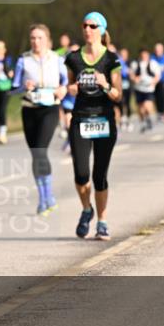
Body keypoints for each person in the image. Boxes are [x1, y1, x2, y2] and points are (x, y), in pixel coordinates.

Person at [64, 12, 123, 240]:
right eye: (85, 25)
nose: (88, 29)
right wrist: (71, 89)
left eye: (93, 25)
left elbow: (118, 96)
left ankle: (102, 222)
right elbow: (69, 84)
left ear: (101, 30)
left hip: (104, 121)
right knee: (81, 174)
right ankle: (87, 209)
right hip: (80, 119)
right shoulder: (73, 58)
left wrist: (105, 85)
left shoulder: (111, 60)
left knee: (99, 175)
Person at [11, 24, 68, 216]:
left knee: (41, 150)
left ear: (47, 40)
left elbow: (67, 82)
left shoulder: (57, 59)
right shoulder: (23, 61)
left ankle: (48, 196)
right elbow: (13, 88)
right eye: (33, 38)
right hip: (29, 109)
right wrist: (23, 86)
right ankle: (43, 197)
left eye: (39, 38)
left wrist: (63, 89)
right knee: (36, 154)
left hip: (50, 109)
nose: (36, 42)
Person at [131, 48, 161, 133]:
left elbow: (158, 75)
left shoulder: (153, 64)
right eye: (142, 55)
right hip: (139, 88)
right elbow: (131, 74)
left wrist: (154, 82)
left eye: (145, 55)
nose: (144, 56)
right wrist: (134, 79)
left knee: (147, 105)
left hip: (149, 88)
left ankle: (149, 119)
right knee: (140, 107)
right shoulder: (135, 64)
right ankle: (143, 122)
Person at [151, 42, 164, 125]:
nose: (157, 51)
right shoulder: (152, 58)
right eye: (156, 50)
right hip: (155, 81)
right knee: (157, 97)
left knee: (163, 96)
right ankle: (160, 112)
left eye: (159, 50)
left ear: (162, 50)